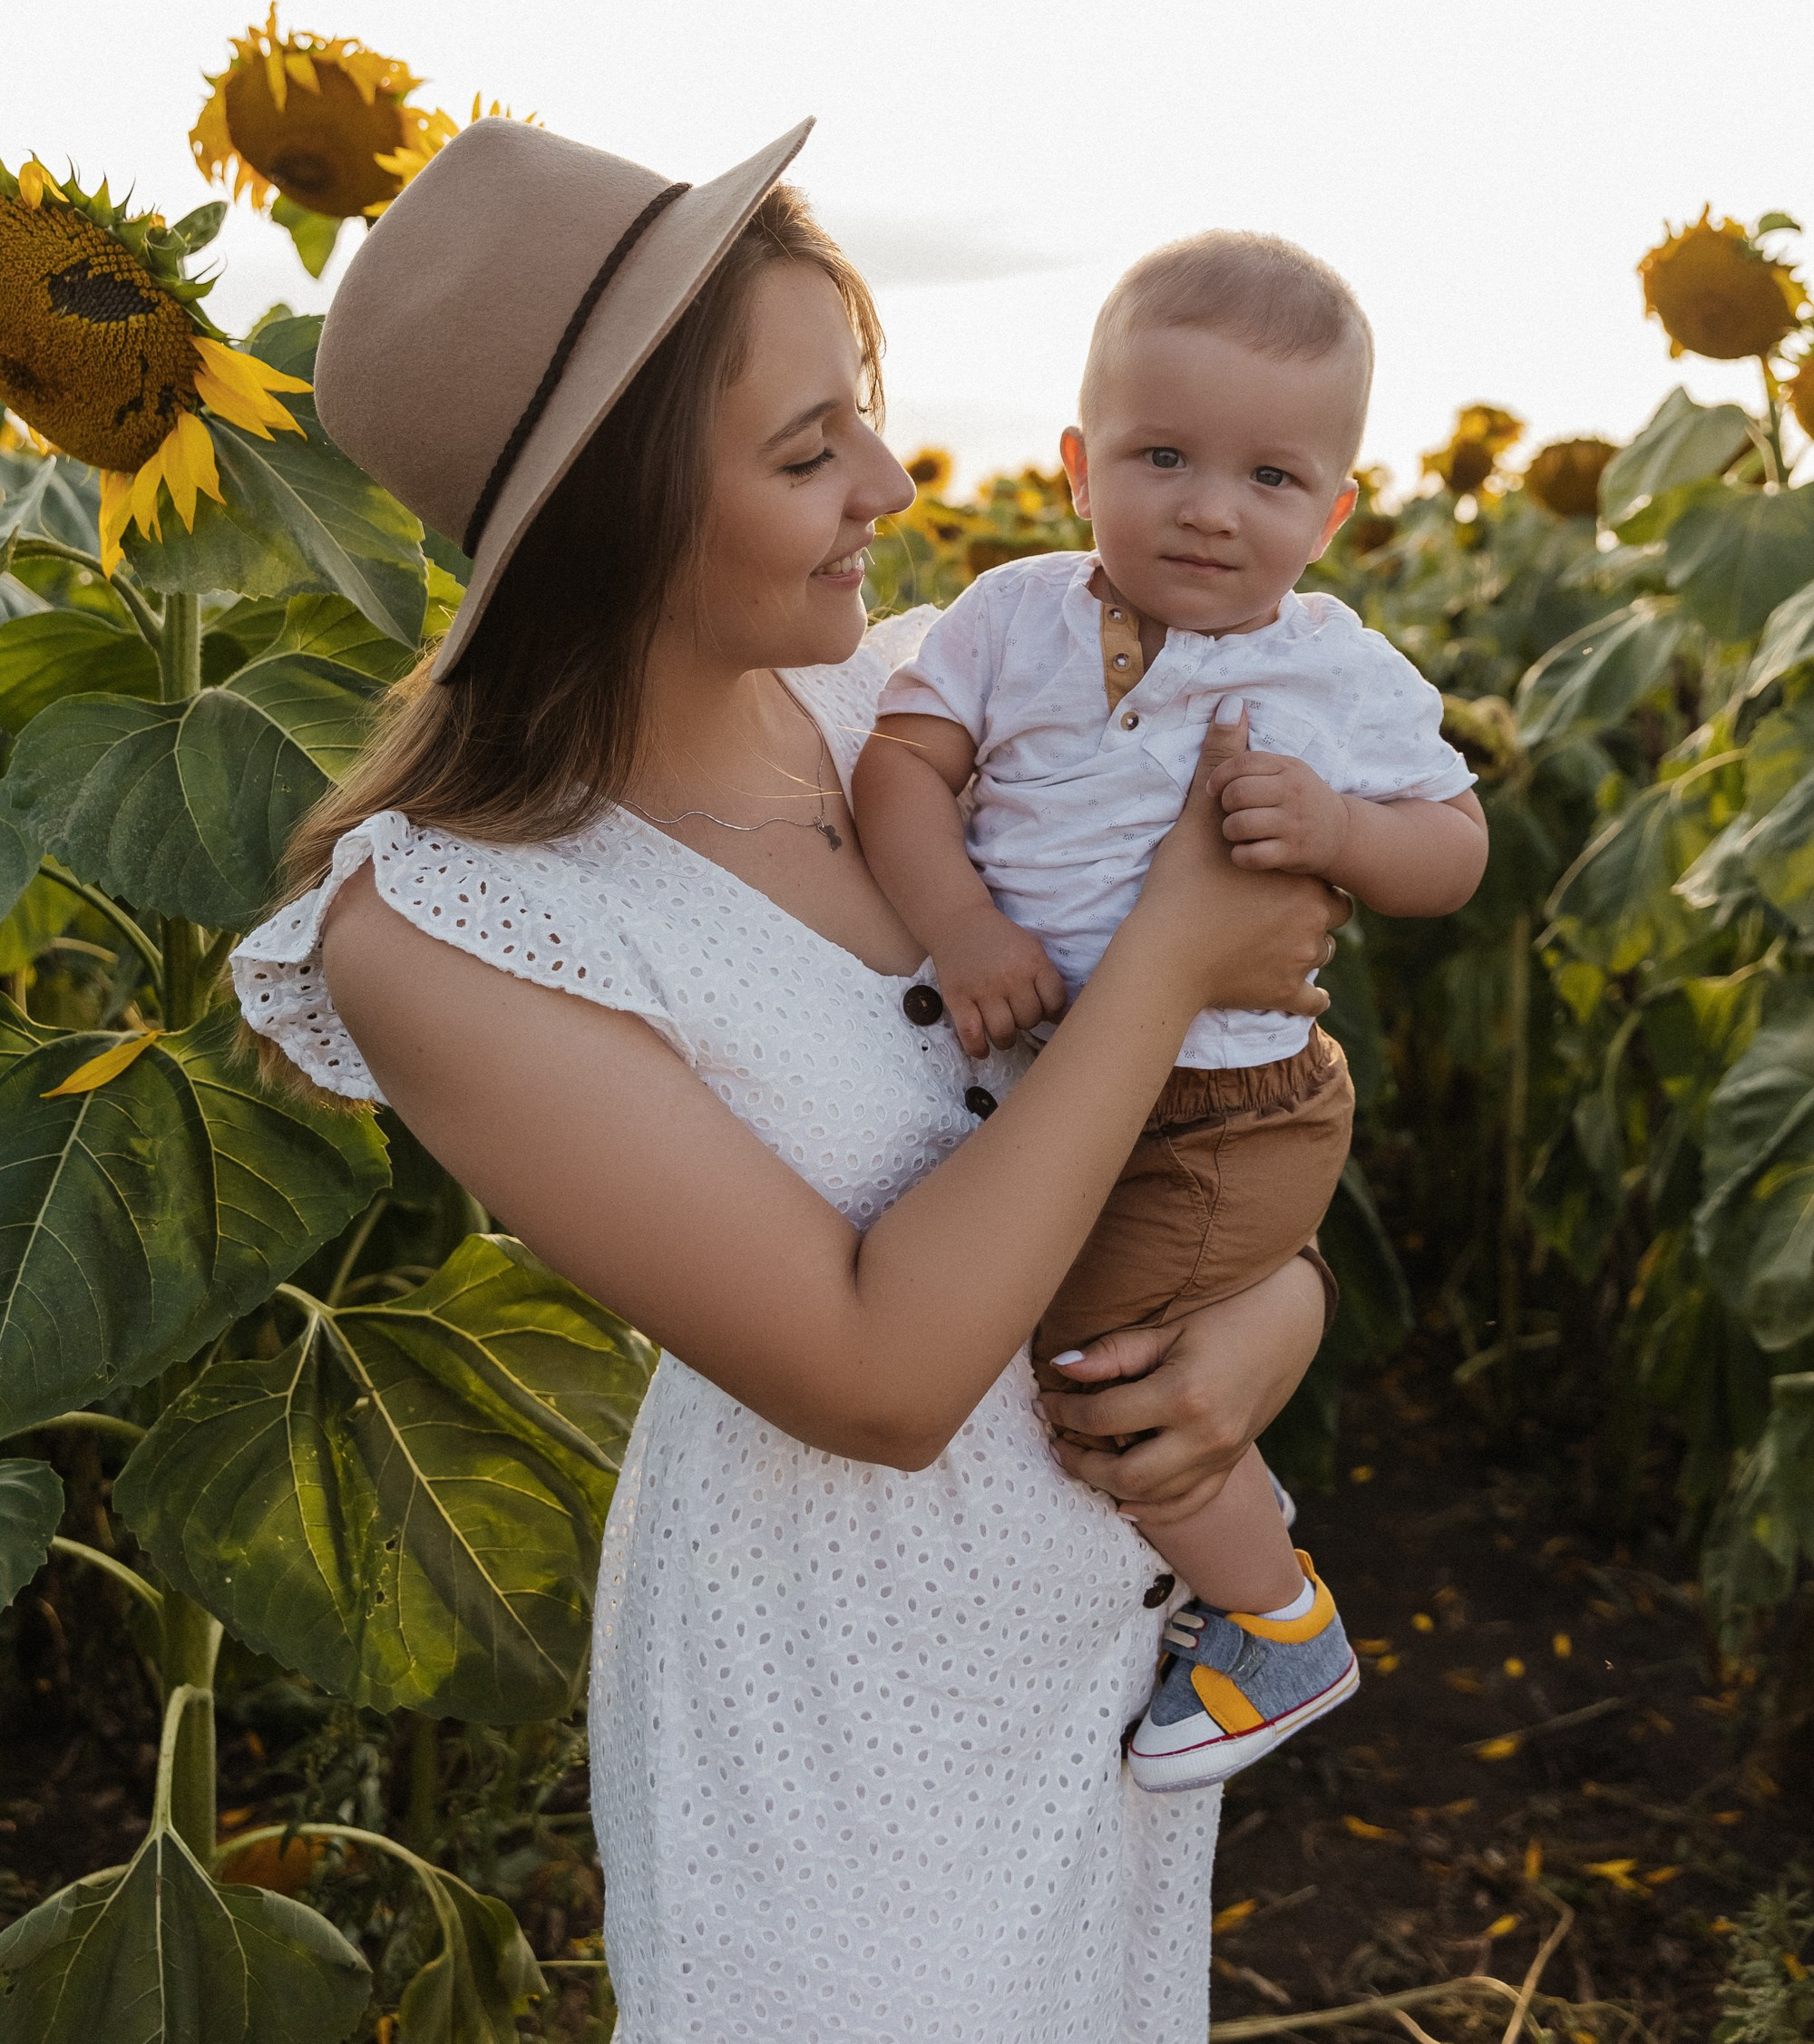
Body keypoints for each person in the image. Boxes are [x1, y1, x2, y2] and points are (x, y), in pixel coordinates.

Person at [232, 117, 1348, 2044]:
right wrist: (1167, 954)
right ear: (613, 515)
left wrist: (1272, 1315)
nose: (892, 487)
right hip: (832, 1713)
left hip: (1095, 1650)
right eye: (804, 449)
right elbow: (879, 1376)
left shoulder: (922, 706)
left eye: (863, 414)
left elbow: (1245, 1093)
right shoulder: (449, 925)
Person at [853, 231, 1487, 1792]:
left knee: (1091, 1354)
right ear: (1076, 466)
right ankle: (1219, 1573)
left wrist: (1339, 830)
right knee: (1091, 1331)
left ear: (1334, 513)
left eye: (1272, 478)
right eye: (1162, 455)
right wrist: (966, 923)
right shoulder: (1007, 619)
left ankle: (1278, 1618)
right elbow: (901, 771)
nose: (1211, 505)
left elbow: (1455, 851)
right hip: (1072, 1084)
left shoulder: (1336, 672)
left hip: (1231, 1108)